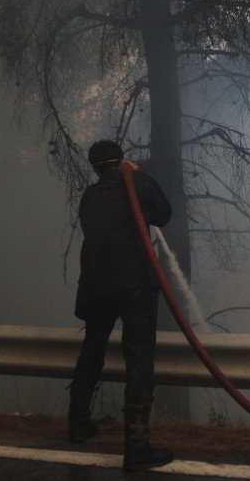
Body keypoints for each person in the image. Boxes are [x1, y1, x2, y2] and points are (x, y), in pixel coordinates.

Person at [68, 139, 173, 472]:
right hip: (135, 284)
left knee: (92, 350)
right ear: (123, 161)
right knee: (139, 358)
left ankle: (78, 424)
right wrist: (139, 175)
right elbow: (163, 214)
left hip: (97, 286)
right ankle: (137, 446)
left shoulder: (89, 196)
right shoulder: (136, 182)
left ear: (95, 168)